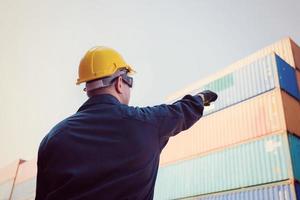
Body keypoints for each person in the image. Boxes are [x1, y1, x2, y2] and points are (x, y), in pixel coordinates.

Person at [35, 47, 217, 200]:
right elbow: (182, 111)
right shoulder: (147, 123)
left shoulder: (52, 139)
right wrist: (201, 98)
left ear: (87, 88)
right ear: (120, 82)